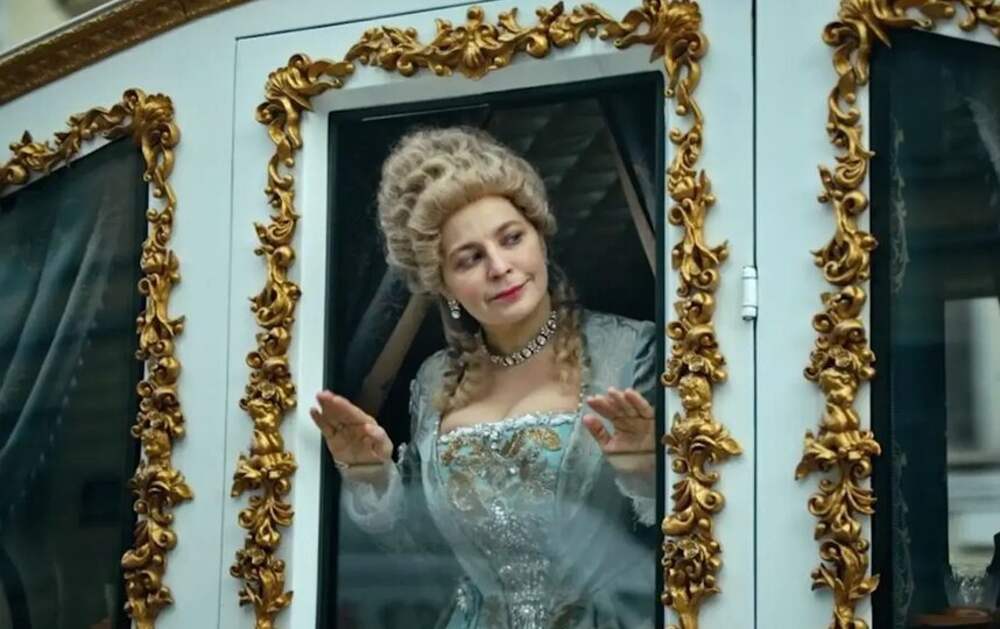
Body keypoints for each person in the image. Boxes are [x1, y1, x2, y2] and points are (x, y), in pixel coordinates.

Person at [310, 126, 658, 629]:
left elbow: (688, 527)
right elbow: (421, 555)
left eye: (512, 238)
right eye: (469, 258)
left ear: (540, 238)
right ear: (444, 285)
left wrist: (646, 468)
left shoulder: (630, 351)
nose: (499, 267)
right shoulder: (434, 382)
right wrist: (372, 477)